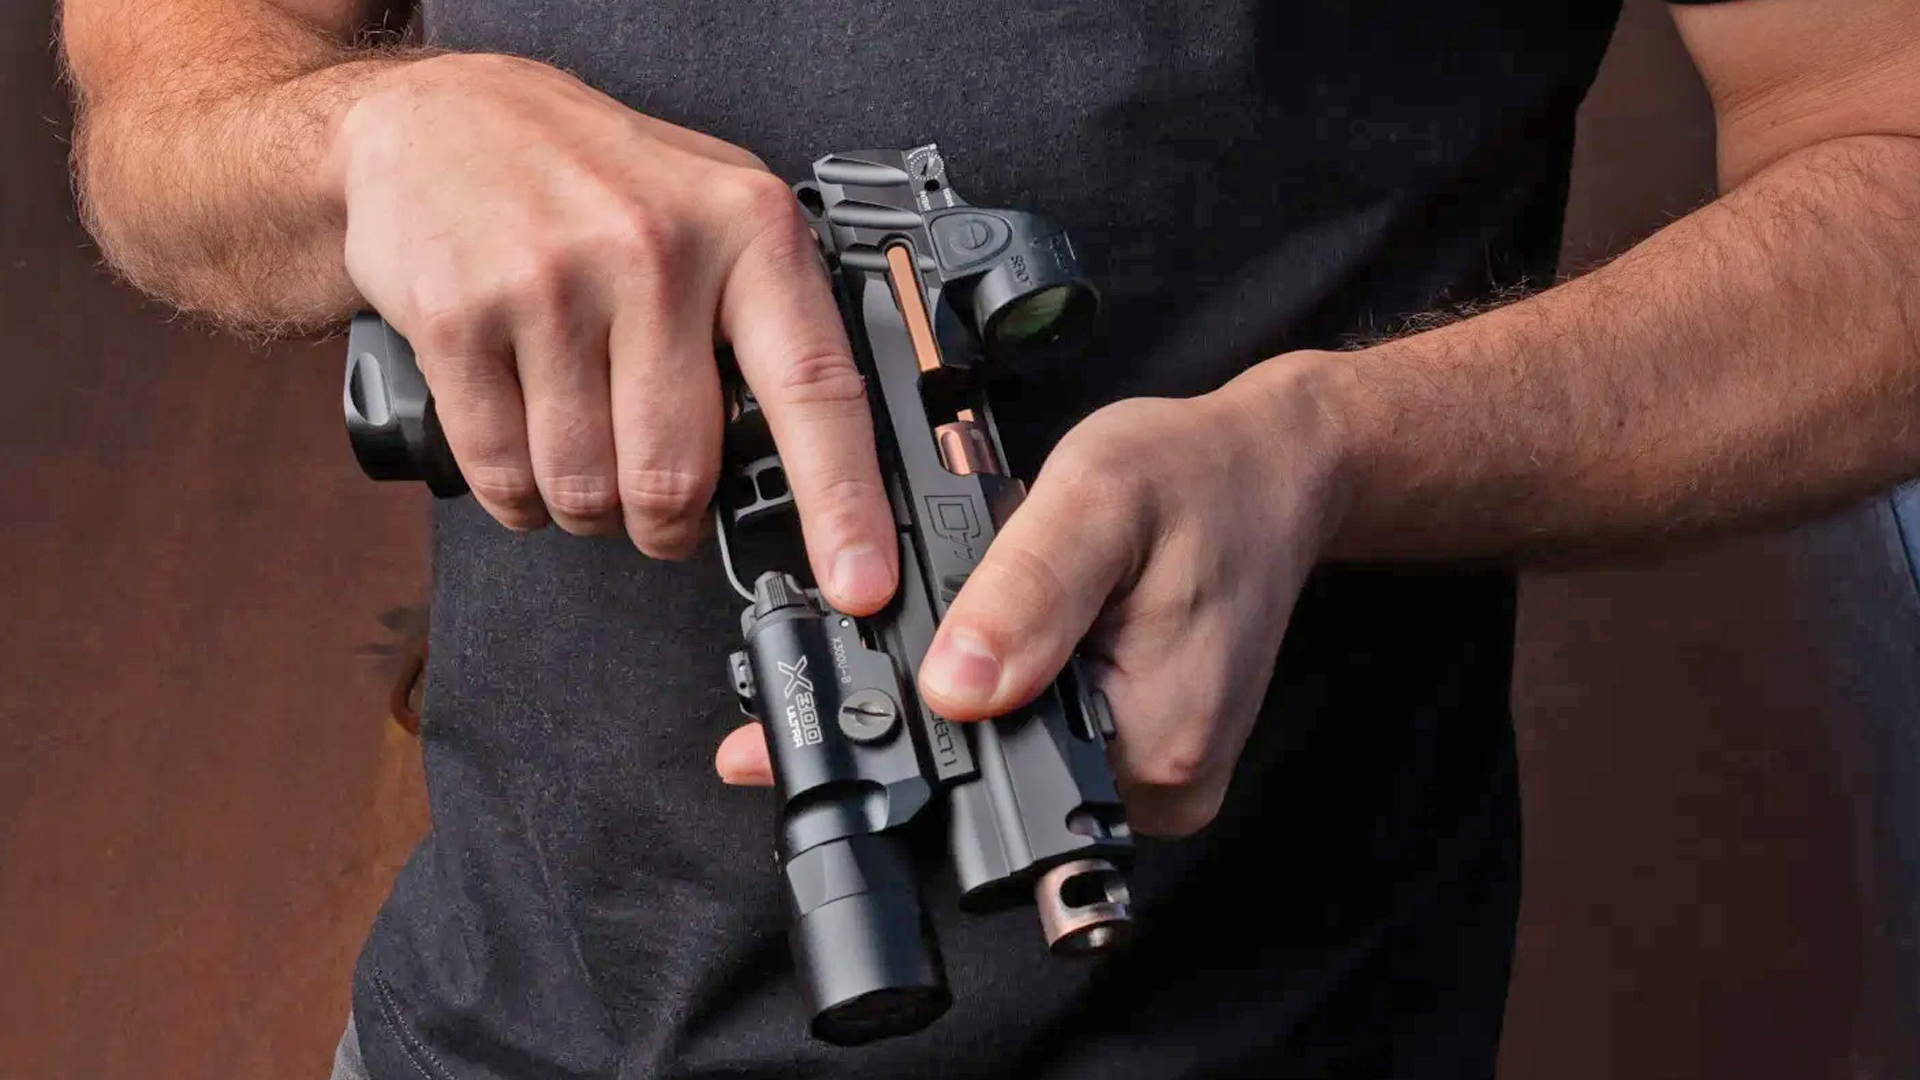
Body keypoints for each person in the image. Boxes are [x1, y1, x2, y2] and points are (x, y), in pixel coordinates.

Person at [57, 0, 1920, 1076]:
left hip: (1276, 1030)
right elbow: (171, 100)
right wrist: (370, 133)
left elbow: (1887, 162)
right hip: (504, 1023)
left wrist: (1343, 449)